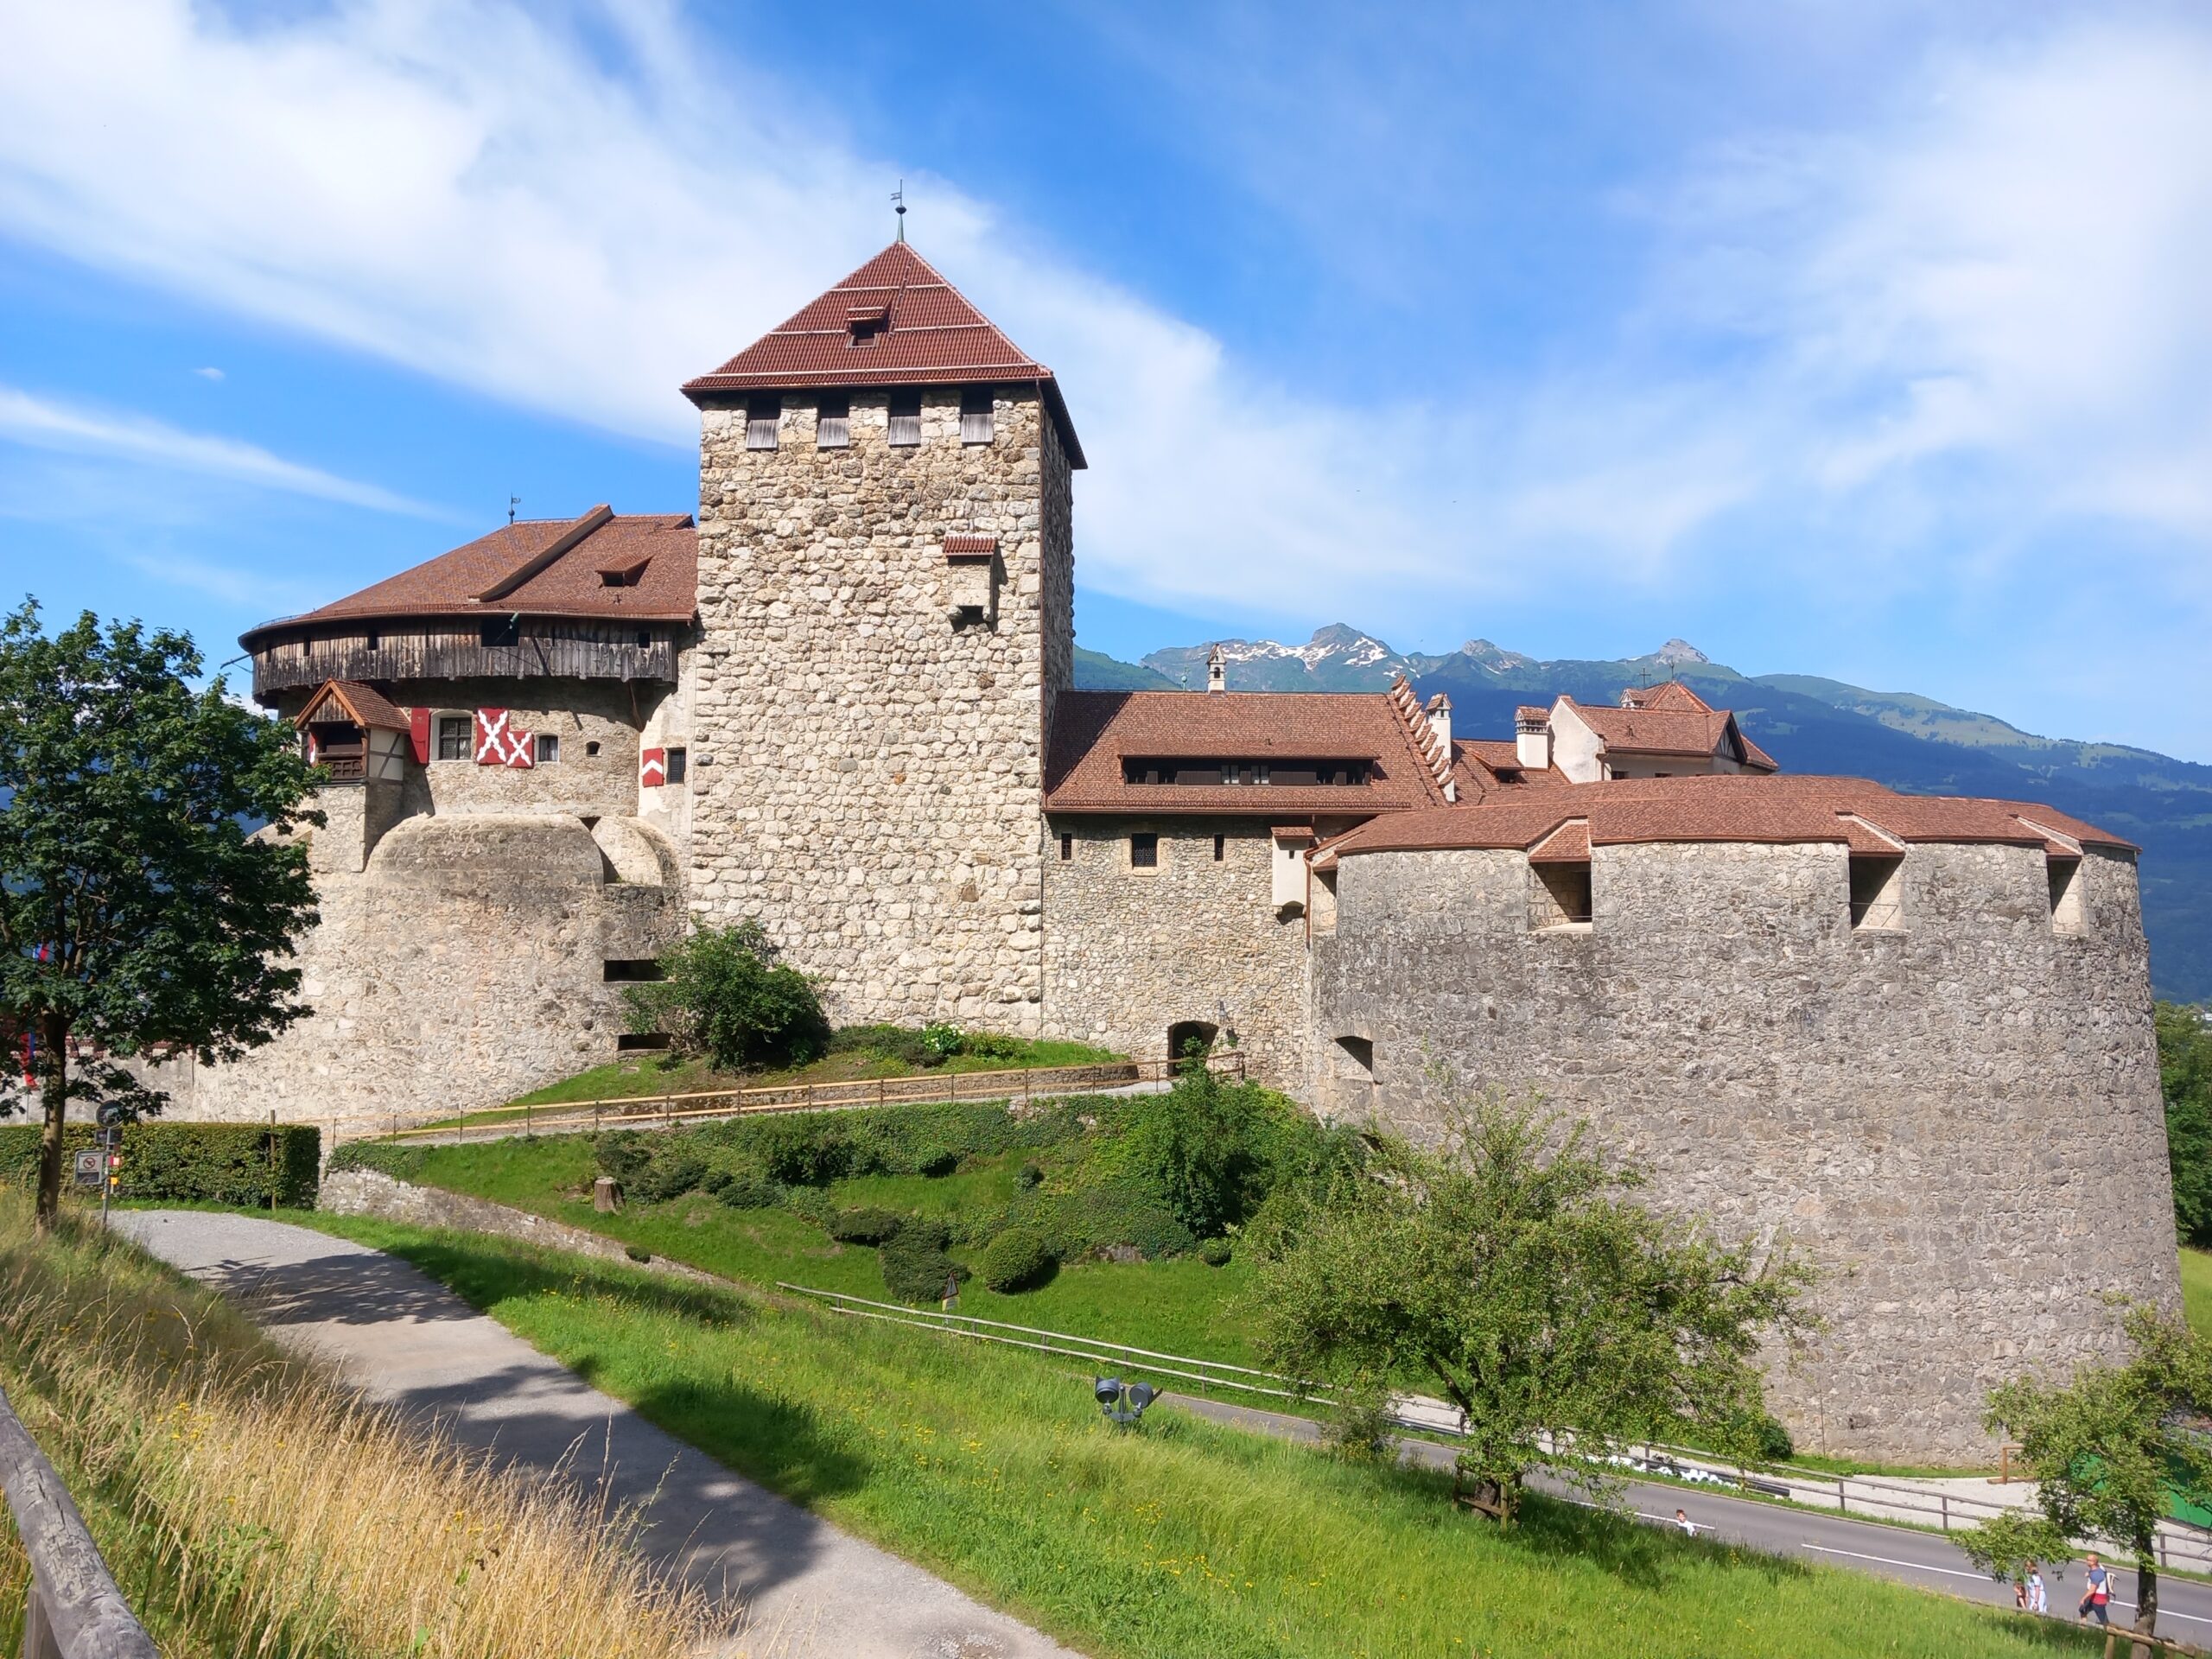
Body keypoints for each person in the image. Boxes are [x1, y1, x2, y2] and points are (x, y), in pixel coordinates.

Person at [2079, 1554, 2112, 1626]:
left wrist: (2083, 1598)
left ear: (2094, 1562)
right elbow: (2095, 1570)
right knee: (2082, 1609)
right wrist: (2089, 1573)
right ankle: (2082, 1627)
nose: (2086, 1561)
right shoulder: (2099, 1569)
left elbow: (2092, 1590)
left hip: (2097, 1600)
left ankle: (2110, 1632)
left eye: (2088, 1560)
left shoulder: (2096, 1574)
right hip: (2092, 1598)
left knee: (2104, 1620)